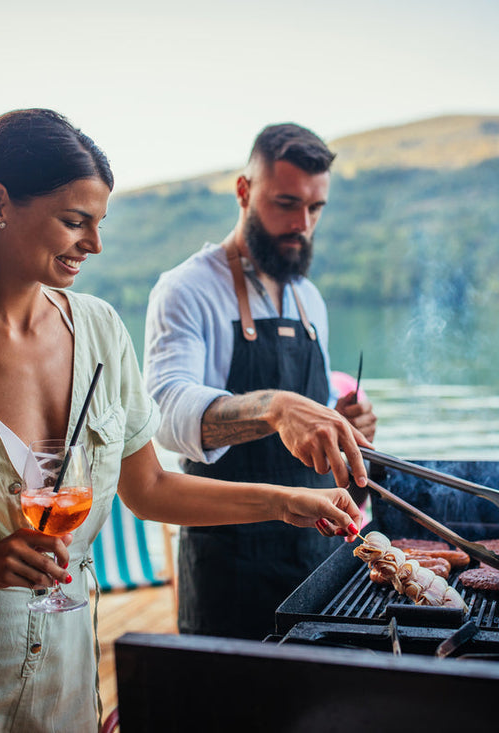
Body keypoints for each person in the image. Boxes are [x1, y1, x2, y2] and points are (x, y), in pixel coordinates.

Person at [0, 109, 363, 733]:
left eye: (98, 223)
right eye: (74, 222)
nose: (94, 245)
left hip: (63, 686)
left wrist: (285, 502)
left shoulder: (100, 330)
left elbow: (150, 489)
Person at [143, 122, 378, 640]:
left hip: (319, 557)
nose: (302, 225)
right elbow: (166, 413)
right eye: (286, 204)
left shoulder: (309, 298)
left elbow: (313, 410)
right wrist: (274, 407)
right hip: (230, 567)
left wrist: (341, 421)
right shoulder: (186, 290)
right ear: (244, 191)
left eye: (315, 208)